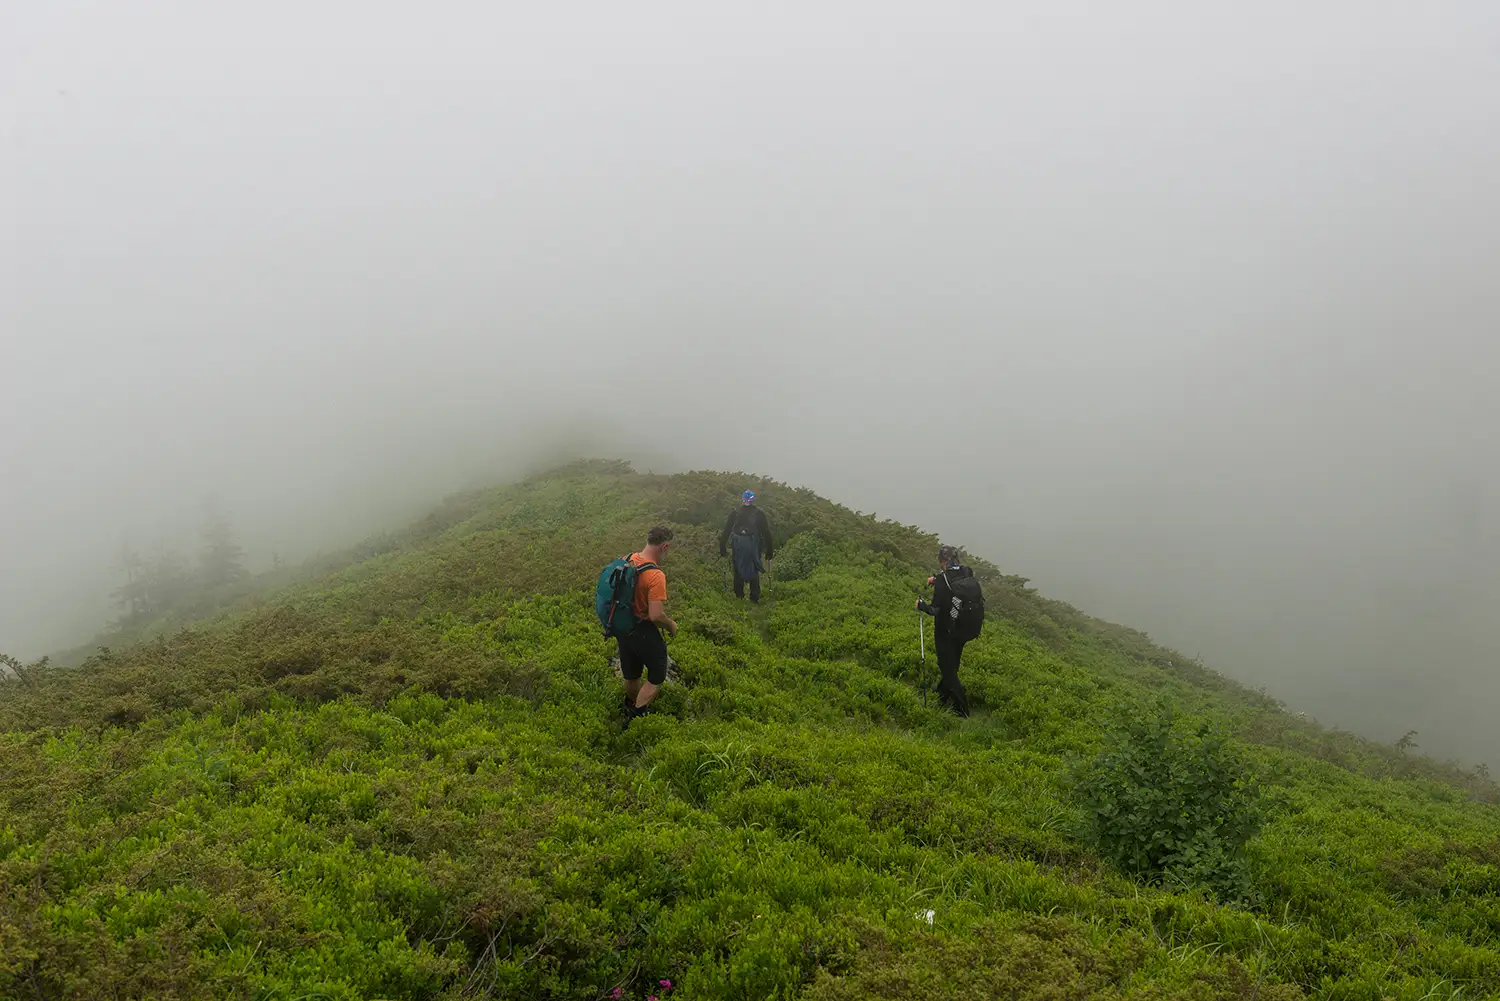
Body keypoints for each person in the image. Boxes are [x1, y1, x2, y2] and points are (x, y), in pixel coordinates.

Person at [619, 525, 678, 722]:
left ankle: (629, 705)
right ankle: (637, 715)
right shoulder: (655, 575)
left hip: (623, 626)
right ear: (665, 546)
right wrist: (671, 625)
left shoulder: (627, 560)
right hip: (643, 630)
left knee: (632, 673)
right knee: (657, 673)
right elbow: (656, 616)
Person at [915, 544, 973, 717]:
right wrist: (936, 578)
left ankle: (962, 711)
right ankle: (942, 694)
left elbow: (935, 610)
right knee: (952, 664)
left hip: (945, 630)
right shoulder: (966, 572)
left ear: (943, 560)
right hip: (963, 627)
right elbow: (953, 583)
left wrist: (921, 605)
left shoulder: (943, 581)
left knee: (947, 668)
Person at [718, 489, 774, 602]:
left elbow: (726, 531)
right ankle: (754, 597)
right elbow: (766, 532)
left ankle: (739, 596)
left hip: (738, 546)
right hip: (753, 546)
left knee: (738, 567)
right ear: (753, 500)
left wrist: (722, 547)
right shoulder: (759, 513)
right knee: (754, 567)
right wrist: (769, 551)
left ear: (742, 500)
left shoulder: (735, 512)